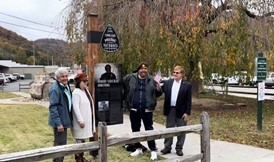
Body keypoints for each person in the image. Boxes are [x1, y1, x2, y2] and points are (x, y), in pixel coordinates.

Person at [123, 62, 162, 160]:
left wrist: (158, 90)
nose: (143, 70)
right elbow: (122, 84)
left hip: (147, 110)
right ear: (138, 70)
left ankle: (153, 150)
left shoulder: (152, 80)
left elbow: (157, 94)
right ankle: (138, 148)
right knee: (135, 129)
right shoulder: (130, 78)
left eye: (145, 68)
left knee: (149, 130)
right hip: (134, 109)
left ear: (147, 70)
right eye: (141, 68)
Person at [160, 65, 192, 156]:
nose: (175, 74)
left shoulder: (187, 85)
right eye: (174, 72)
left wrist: (187, 113)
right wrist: (158, 87)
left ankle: (179, 148)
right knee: (169, 129)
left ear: (182, 74)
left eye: (177, 73)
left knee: (181, 130)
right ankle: (167, 147)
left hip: (181, 111)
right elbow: (160, 91)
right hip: (170, 109)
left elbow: (189, 100)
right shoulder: (168, 82)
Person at [48, 68, 73, 162]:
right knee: (60, 145)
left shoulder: (66, 85)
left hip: (65, 119)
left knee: (62, 143)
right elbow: (53, 108)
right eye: (62, 76)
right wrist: (59, 123)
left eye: (66, 76)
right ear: (58, 78)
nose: (65, 78)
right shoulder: (55, 89)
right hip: (60, 123)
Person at [71, 73, 96, 162]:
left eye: (87, 81)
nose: (86, 83)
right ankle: (78, 158)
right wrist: (80, 120)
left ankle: (81, 157)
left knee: (82, 141)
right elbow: (76, 107)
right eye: (84, 81)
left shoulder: (85, 91)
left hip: (86, 121)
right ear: (79, 82)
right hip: (80, 122)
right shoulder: (76, 93)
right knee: (79, 141)